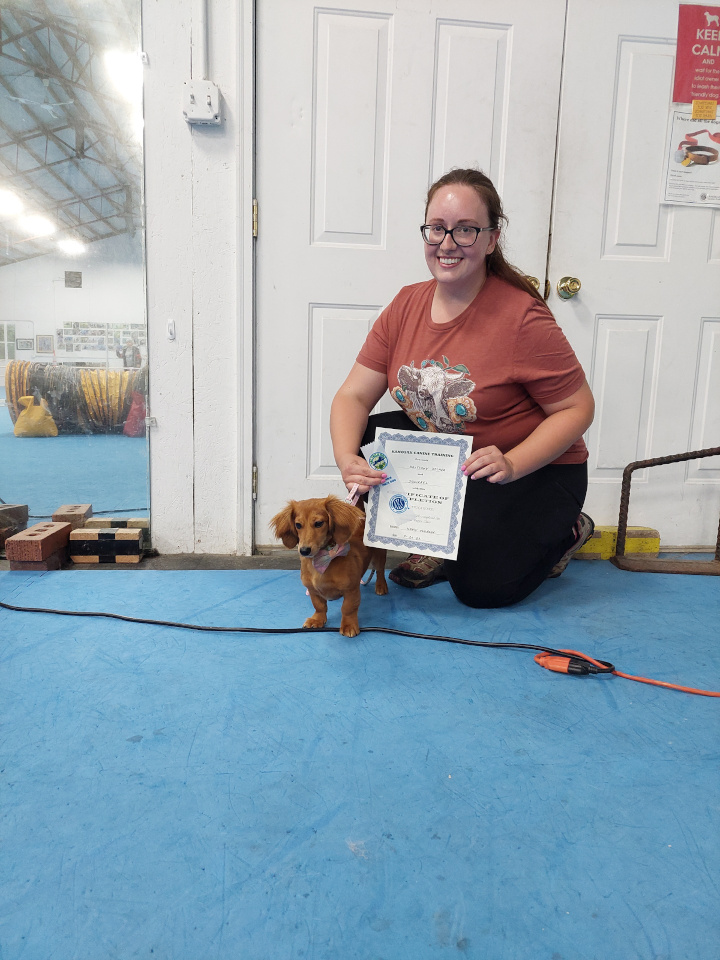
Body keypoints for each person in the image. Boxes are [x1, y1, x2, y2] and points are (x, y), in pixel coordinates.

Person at [330, 168, 595, 608]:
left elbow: (577, 408)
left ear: (492, 238)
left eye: (466, 230)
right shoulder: (405, 304)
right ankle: (438, 539)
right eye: (437, 228)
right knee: (364, 439)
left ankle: (567, 530)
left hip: (532, 468)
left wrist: (512, 463)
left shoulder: (522, 318)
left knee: (481, 589)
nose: (447, 243)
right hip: (456, 457)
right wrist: (346, 461)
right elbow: (353, 396)